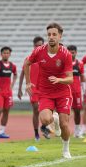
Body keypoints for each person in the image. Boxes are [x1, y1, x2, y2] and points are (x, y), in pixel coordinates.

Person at [24, 23, 73, 159]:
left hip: (63, 92)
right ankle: (54, 120)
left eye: (54, 34)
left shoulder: (66, 54)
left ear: (60, 36)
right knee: (45, 120)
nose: (51, 37)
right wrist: (28, 83)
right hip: (45, 92)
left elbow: (70, 79)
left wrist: (59, 80)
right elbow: (26, 63)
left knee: (65, 124)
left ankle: (65, 149)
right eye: (49, 34)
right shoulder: (39, 51)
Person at [18, 36, 51, 141]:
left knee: (47, 109)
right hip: (33, 89)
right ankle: (37, 133)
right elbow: (23, 73)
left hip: (45, 88)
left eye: (40, 45)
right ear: (33, 46)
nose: (38, 47)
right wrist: (19, 88)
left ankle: (44, 127)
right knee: (36, 109)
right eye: (36, 45)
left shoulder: (47, 57)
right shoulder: (29, 58)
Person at [67, 45, 85, 138]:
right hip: (67, 91)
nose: (71, 54)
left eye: (73, 52)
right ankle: (64, 131)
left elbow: (82, 78)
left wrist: (84, 90)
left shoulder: (80, 64)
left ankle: (77, 132)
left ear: (76, 53)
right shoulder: (65, 64)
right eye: (69, 52)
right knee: (65, 112)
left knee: (77, 111)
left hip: (77, 91)